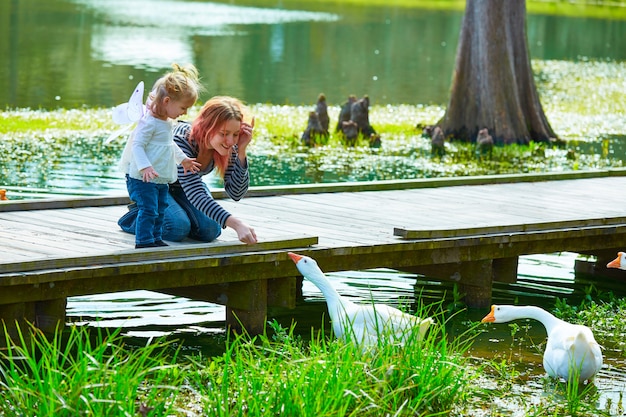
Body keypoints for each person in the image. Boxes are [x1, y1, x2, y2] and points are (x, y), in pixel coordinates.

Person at [118, 95, 258, 245]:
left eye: (235, 134)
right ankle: (136, 216)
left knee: (211, 230)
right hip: (153, 184)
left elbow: (236, 193)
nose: (230, 141)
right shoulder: (182, 138)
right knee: (177, 228)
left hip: (182, 188)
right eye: (223, 134)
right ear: (207, 128)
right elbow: (196, 194)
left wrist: (242, 151)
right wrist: (237, 224)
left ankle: (175, 216)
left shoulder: (228, 145)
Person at [119, 63, 202, 249]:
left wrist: (183, 160)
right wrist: (144, 166)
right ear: (166, 102)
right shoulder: (149, 122)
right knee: (149, 209)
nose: (185, 113)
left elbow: (169, 145)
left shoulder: (165, 122)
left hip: (159, 176)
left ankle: (155, 238)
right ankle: (144, 241)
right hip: (142, 177)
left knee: (161, 208)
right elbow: (137, 146)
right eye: (183, 107)